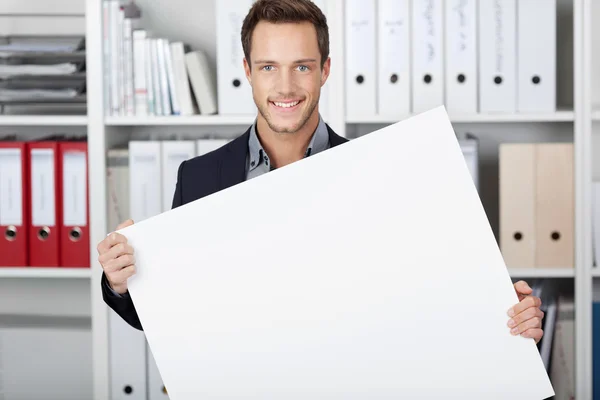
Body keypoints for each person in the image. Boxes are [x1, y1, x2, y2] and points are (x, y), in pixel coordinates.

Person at [97, 0, 545, 344]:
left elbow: (430, 302)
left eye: (302, 67)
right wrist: (121, 283)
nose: (286, 86)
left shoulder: (382, 175)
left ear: (325, 70)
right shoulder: (198, 177)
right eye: (269, 67)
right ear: (248, 72)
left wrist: (508, 317)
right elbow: (170, 315)